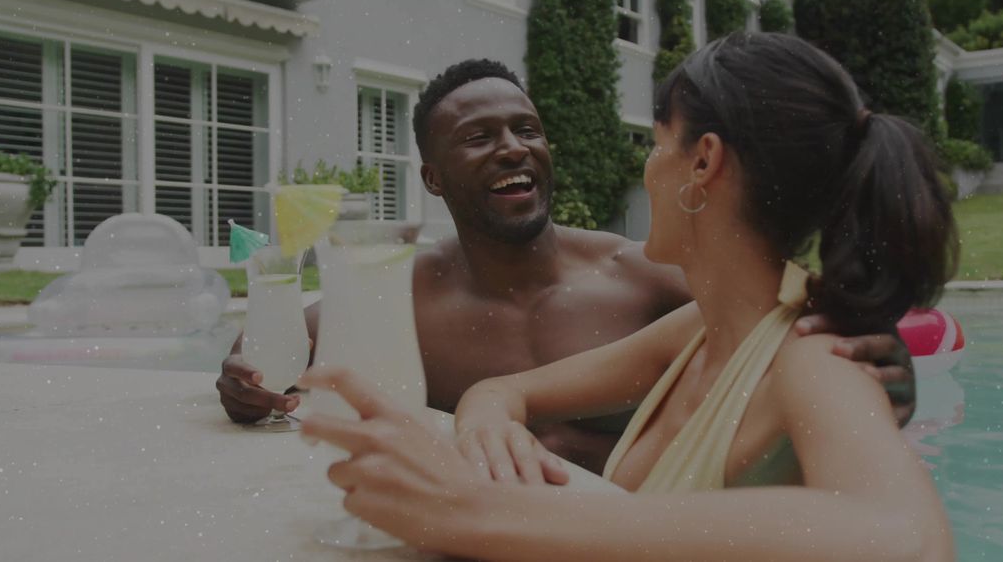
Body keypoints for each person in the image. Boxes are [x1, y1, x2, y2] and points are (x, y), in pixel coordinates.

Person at [298, 32, 957, 561]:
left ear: (703, 163)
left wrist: (475, 512)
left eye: (653, 142)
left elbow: (910, 541)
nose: (645, 167)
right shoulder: (700, 329)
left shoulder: (816, 355)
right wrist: (487, 424)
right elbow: (503, 390)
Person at [218, 58, 914, 474]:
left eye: (527, 130)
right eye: (479, 137)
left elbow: (793, 322)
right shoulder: (402, 294)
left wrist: (885, 364)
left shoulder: (641, 278)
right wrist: (246, 383)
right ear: (432, 179)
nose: (513, 148)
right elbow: (270, 354)